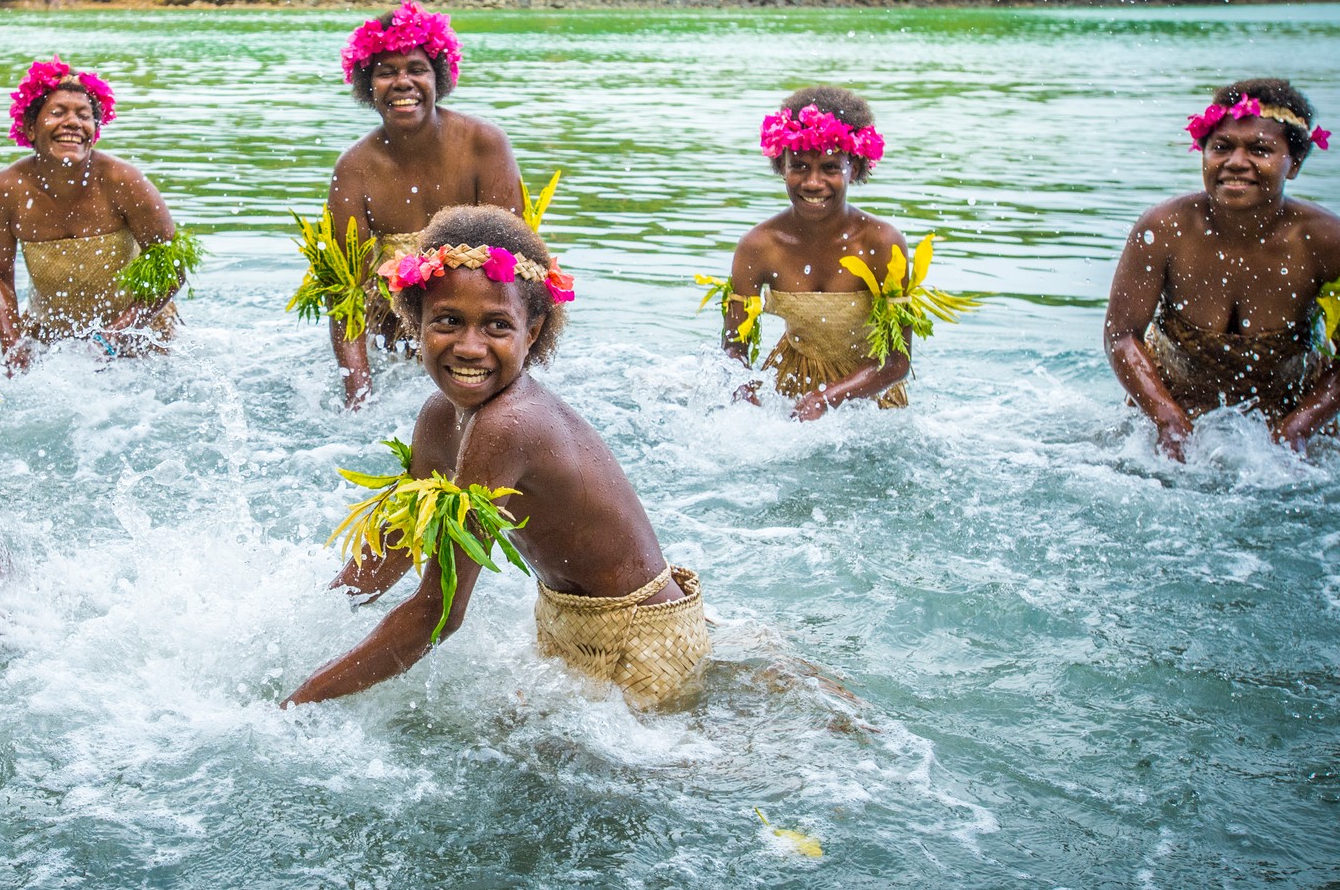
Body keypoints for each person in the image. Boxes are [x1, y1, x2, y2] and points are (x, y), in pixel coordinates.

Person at [284, 206, 710, 710]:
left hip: (647, 642)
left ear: (531, 333)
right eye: (447, 321)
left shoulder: (508, 425)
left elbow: (439, 612)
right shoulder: (439, 417)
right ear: (414, 321)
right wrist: (305, 622)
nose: (469, 347)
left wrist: (300, 702)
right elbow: (401, 544)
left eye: (496, 326)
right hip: (570, 623)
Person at [1105, 78, 1340, 457]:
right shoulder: (1163, 229)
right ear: (1203, 154)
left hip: (1286, 430)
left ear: (1293, 164)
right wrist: (1168, 420)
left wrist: (1298, 427)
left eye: (1260, 150)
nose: (1235, 163)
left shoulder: (1327, 242)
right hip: (1168, 420)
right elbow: (1121, 336)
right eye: (1221, 147)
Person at [309, 1, 523, 408]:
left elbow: (515, 273)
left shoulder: (484, 146)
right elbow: (345, 297)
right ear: (367, 86)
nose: (402, 82)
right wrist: (359, 398)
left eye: (416, 69)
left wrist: (506, 387)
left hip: (473, 342)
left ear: (438, 78)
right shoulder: (354, 169)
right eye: (386, 72)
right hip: (393, 347)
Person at [712, 87, 956, 419]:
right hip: (788, 389)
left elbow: (897, 362)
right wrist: (745, 396)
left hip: (869, 400)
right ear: (780, 165)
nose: (813, 183)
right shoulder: (758, 246)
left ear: (853, 169)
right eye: (798, 166)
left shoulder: (882, 244)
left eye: (829, 168)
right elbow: (733, 350)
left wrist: (828, 398)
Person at [0, 59, 195, 367]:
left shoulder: (124, 181)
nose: (72, 122)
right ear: (29, 127)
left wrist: (117, 332)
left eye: (84, 116)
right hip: (50, 336)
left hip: (141, 334)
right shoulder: (7, 188)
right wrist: (14, 348)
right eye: (57, 113)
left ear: (94, 132)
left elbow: (172, 268)